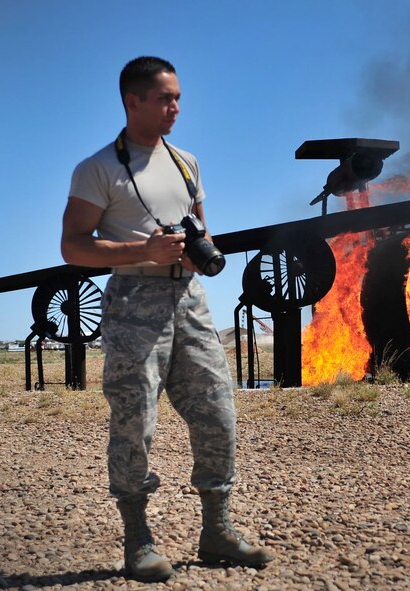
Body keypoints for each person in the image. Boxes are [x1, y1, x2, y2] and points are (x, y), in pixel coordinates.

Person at [61, 56, 273, 582]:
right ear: (132, 101)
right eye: (164, 98)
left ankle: (217, 531)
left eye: (178, 97)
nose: (175, 107)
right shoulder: (98, 169)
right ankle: (139, 540)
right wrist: (143, 251)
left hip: (191, 301)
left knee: (219, 413)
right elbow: (72, 246)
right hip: (134, 301)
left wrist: (196, 249)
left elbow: (203, 230)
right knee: (136, 424)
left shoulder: (186, 162)